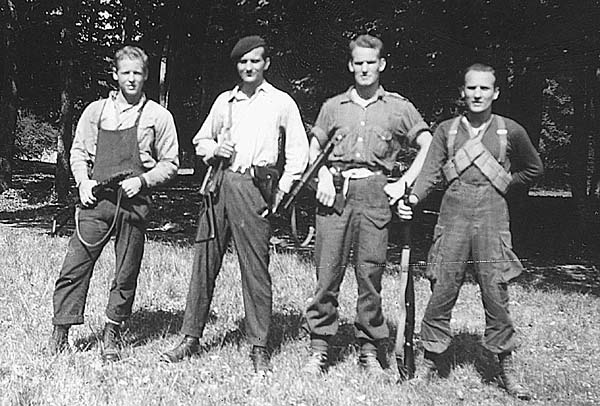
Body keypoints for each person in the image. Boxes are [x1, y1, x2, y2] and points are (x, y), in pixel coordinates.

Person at [161, 36, 309, 374]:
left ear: (266, 63)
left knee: (255, 269)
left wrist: (281, 192)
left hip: (255, 188)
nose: (249, 67)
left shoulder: (280, 102)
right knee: (204, 262)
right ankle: (190, 337)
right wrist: (215, 150)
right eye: (243, 62)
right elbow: (200, 140)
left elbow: (299, 154)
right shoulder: (225, 101)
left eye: (255, 61)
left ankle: (258, 345)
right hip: (219, 185)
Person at [398, 63, 543, 399]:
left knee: (496, 291)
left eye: (484, 89)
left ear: (495, 93)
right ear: (462, 92)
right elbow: (430, 174)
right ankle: (432, 358)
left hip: (493, 215)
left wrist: (506, 183)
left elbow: (534, 169)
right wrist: (413, 200)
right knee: (442, 288)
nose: (477, 95)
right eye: (471, 88)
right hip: (453, 215)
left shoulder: (511, 131)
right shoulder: (447, 130)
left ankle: (506, 365)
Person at [302, 34, 432, 375]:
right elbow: (313, 148)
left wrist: (404, 183)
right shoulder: (333, 107)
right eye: (358, 63)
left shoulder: (398, 108)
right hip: (336, 192)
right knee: (327, 273)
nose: (364, 69)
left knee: (370, 274)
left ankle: (369, 350)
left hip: (375, 193)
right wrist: (323, 177)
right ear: (350, 65)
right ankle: (319, 347)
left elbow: (428, 144)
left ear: (381, 65)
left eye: (370, 62)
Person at [49, 45, 179, 362]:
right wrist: (83, 182)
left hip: (133, 204)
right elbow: (78, 153)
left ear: (146, 76)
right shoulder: (95, 111)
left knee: (126, 272)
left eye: (138, 73)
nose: (132, 79)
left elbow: (171, 162)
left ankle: (113, 334)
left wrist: (144, 181)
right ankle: (60, 333)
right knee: (74, 266)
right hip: (96, 202)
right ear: (116, 75)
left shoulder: (158, 117)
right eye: (126, 73)